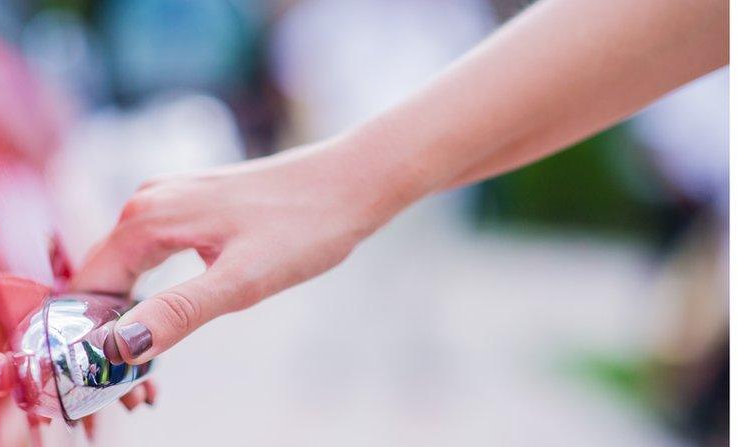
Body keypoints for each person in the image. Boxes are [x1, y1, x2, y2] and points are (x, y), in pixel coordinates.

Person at [78, 0, 729, 378]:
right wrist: (346, 179)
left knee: (412, 261)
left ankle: (398, 348)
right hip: (370, 136)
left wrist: (343, 180)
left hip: (384, 144)